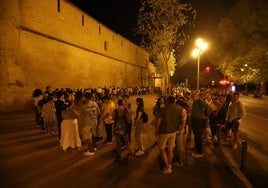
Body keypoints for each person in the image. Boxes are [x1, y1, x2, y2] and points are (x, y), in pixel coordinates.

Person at [156, 96, 180, 174]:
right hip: (173, 131)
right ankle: (169, 164)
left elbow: (159, 121)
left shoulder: (164, 109)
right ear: (174, 101)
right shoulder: (177, 110)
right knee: (170, 149)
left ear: (167, 101)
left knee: (161, 148)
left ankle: (167, 166)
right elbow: (179, 121)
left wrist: (156, 130)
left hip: (164, 131)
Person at [78, 92, 101, 156]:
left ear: (85, 97)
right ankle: (94, 147)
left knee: (88, 137)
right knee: (93, 135)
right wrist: (98, 122)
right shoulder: (95, 103)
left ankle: (90, 151)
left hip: (87, 123)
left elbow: (80, 115)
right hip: (94, 121)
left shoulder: (83, 106)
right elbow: (99, 113)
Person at [191, 92, 208, 158]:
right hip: (194, 120)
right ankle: (196, 148)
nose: (192, 98)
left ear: (196, 96)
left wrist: (206, 115)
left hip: (198, 120)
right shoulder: (195, 102)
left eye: (193, 97)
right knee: (196, 135)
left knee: (198, 136)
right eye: (192, 97)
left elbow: (209, 107)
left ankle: (200, 152)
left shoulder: (200, 101)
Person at [175, 99, 188, 166]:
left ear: (179, 105)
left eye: (176, 105)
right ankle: (183, 159)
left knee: (180, 145)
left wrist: (180, 130)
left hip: (179, 130)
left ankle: (181, 161)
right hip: (180, 130)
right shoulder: (182, 110)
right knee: (180, 144)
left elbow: (183, 122)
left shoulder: (182, 111)